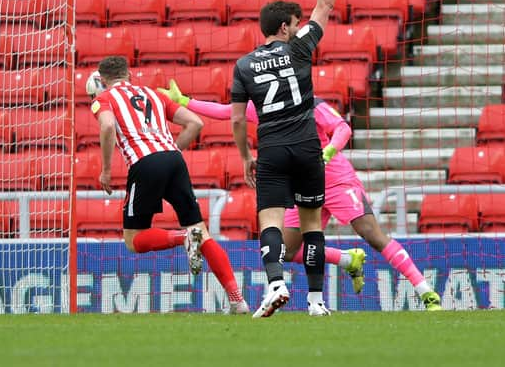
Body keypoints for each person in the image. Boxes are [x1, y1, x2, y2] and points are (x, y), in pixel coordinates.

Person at [159, 80, 442, 311]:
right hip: (301, 186)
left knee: (372, 234)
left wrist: (328, 152)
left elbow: (342, 128)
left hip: (336, 180)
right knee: (287, 250)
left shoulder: (313, 104)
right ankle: (347, 260)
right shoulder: (266, 109)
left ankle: (425, 291)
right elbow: (226, 112)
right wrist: (185, 102)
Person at [225, 0, 346, 318]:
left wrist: (246, 157)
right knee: (312, 227)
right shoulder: (298, 50)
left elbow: (234, 118)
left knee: (270, 221)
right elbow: (324, 5)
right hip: (308, 147)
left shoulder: (243, 66)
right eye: (295, 24)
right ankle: (315, 302)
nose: (299, 28)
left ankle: (276, 283)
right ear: (284, 26)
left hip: (273, 150)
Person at [88, 56, 249, 314]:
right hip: (174, 159)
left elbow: (107, 126)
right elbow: (195, 123)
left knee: (134, 239)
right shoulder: (153, 94)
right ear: (129, 74)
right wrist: (171, 151)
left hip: (144, 163)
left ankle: (184, 238)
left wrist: (106, 170)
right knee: (203, 232)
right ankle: (237, 300)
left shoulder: (104, 98)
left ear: (103, 80)